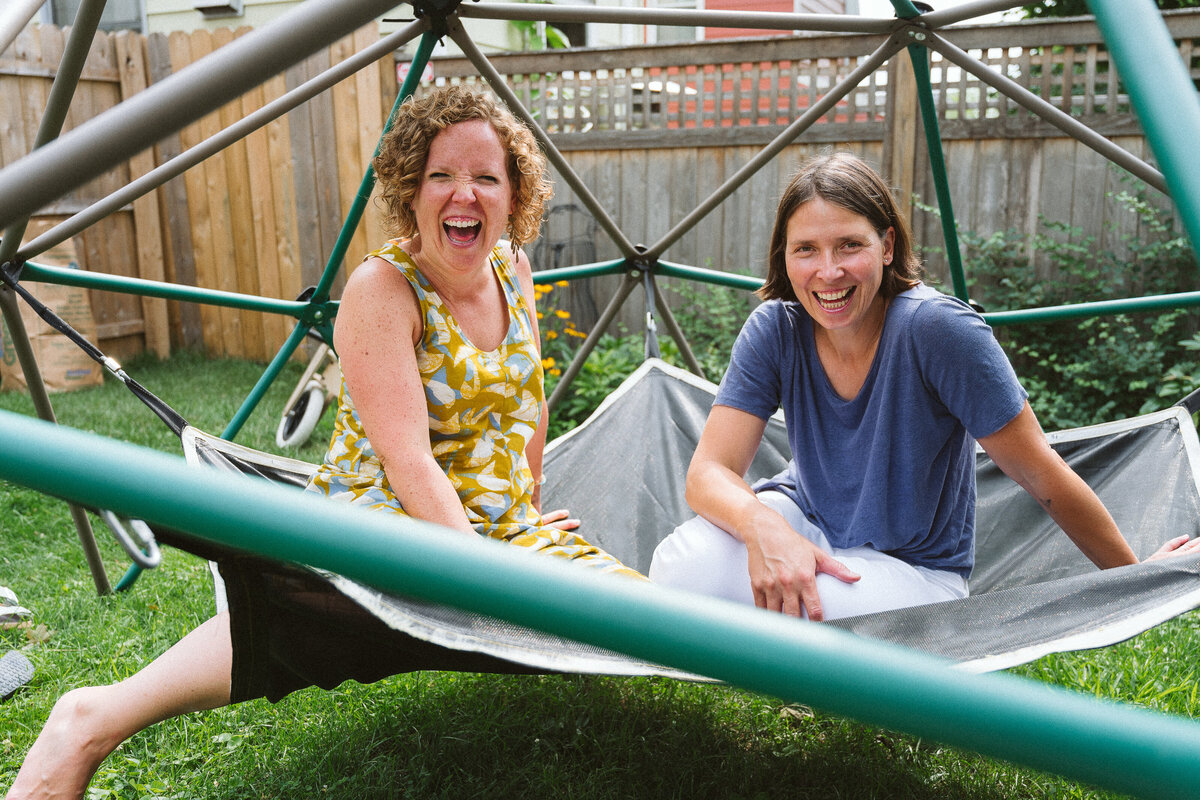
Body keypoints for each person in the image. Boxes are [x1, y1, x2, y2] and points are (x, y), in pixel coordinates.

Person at [5, 85, 639, 800]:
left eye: (486, 176)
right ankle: (90, 718)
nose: (465, 194)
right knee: (320, 617)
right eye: (441, 175)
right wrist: (491, 575)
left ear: (513, 192)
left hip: (490, 526)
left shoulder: (511, 269)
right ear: (410, 187)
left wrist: (524, 514)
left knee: (635, 616)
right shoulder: (383, 290)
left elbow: (529, 409)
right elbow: (408, 460)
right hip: (389, 520)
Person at [648, 151, 1199, 622]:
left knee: (817, 613)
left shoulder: (937, 329)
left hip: (911, 573)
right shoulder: (777, 326)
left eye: (849, 246)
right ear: (784, 255)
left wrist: (1131, 584)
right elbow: (709, 474)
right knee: (677, 568)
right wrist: (764, 528)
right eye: (806, 249)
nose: (828, 271)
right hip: (804, 525)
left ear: (887, 246)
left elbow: (1040, 471)